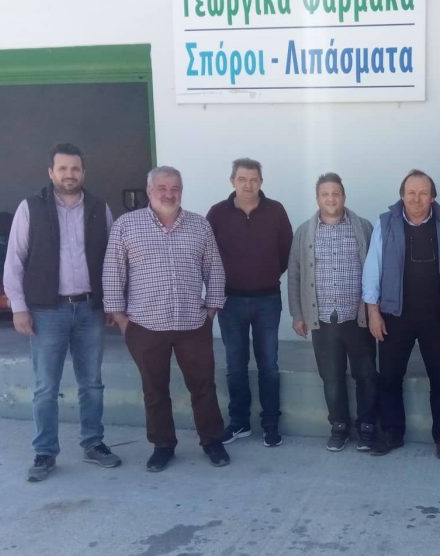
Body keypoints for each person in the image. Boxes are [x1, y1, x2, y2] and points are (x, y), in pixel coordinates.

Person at [3, 143, 121, 482]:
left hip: (89, 309)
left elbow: (112, 260)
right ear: (51, 172)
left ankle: (93, 443)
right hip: (47, 311)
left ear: (83, 172)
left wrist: (111, 303)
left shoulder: (99, 208)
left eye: (75, 168)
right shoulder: (31, 208)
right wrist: (19, 307)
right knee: (45, 387)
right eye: (63, 168)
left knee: (92, 383)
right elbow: (14, 260)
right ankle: (44, 452)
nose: (69, 174)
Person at [103, 166, 229, 472]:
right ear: (149, 191)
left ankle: (212, 440)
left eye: (175, 188)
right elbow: (113, 271)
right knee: (154, 389)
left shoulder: (199, 225)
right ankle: (162, 445)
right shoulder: (126, 225)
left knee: (203, 385)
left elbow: (214, 268)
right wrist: (121, 318)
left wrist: (211, 309)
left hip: (192, 323)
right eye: (162, 188)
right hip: (145, 325)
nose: (169, 194)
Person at [362, 170, 440, 459]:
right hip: (394, 315)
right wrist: (373, 312)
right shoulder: (385, 224)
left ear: (432, 197)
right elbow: (372, 269)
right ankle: (392, 433)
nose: (417, 198)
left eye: (423, 193)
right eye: (411, 192)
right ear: (402, 195)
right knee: (389, 378)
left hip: (438, 317)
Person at [206, 158, 293, 448]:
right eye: (242, 179)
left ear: (261, 182)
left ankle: (271, 424)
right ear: (232, 181)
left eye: (254, 179)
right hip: (230, 301)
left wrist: (266, 273)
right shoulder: (217, 213)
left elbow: (286, 252)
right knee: (235, 365)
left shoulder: (276, 211)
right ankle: (239, 422)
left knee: (269, 365)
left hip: (267, 299)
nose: (248, 184)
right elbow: (207, 253)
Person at [288, 173, 378, 452]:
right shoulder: (304, 232)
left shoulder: (363, 227)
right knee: (332, 378)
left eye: (336, 193)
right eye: (325, 194)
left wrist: (375, 312)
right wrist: (298, 314)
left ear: (344, 196)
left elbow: (376, 270)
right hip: (323, 319)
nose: (331, 198)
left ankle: (367, 426)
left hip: (358, 318)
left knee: (366, 374)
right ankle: (339, 427)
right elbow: (295, 274)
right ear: (318, 198)